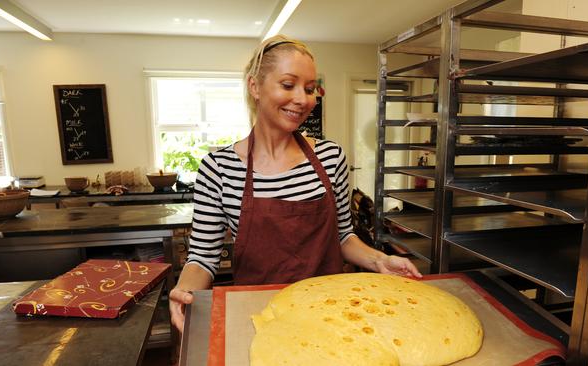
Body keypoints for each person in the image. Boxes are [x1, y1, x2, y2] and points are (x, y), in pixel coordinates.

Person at [169, 35, 422, 333]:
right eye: (288, 85)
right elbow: (203, 256)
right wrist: (184, 289)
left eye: (310, 88)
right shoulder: (219, 168)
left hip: (330, 313)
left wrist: (380, 260)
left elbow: (343, 236)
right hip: (259, 316)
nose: (303, 99)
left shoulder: (330, 157)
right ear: (255, 87)